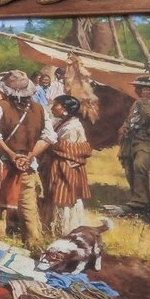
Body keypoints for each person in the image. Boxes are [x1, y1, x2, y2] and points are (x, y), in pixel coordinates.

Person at [0, 70, 54, 247]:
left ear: (5, 90)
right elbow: (48, 137)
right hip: (27, 164)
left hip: (2, 162)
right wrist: (29, 156)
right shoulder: (40, 109)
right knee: (28, 204)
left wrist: (13, 155)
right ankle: (33, 243)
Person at [43, 94, 95, 235]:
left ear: (65, 109)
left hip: (68, 167)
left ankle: (66, 229)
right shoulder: (63, 123)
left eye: (56, 105)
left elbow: (69, 149)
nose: (53, 108)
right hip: (60, 165)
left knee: (66, 196)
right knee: (58, 195)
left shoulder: (72, 127)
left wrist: (53, 146)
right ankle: (54, 228)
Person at [120, 75, 150, 218]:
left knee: (140, 165)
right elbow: (130, 118)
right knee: (129, 168)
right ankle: (137, 200)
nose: (137, 90)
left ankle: (140, 202)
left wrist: (145, 101)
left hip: (147, 141)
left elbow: (149, 117)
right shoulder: (137, 102)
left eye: (142, 88)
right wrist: (124, 127)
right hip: (131, 140)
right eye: (139, 88)